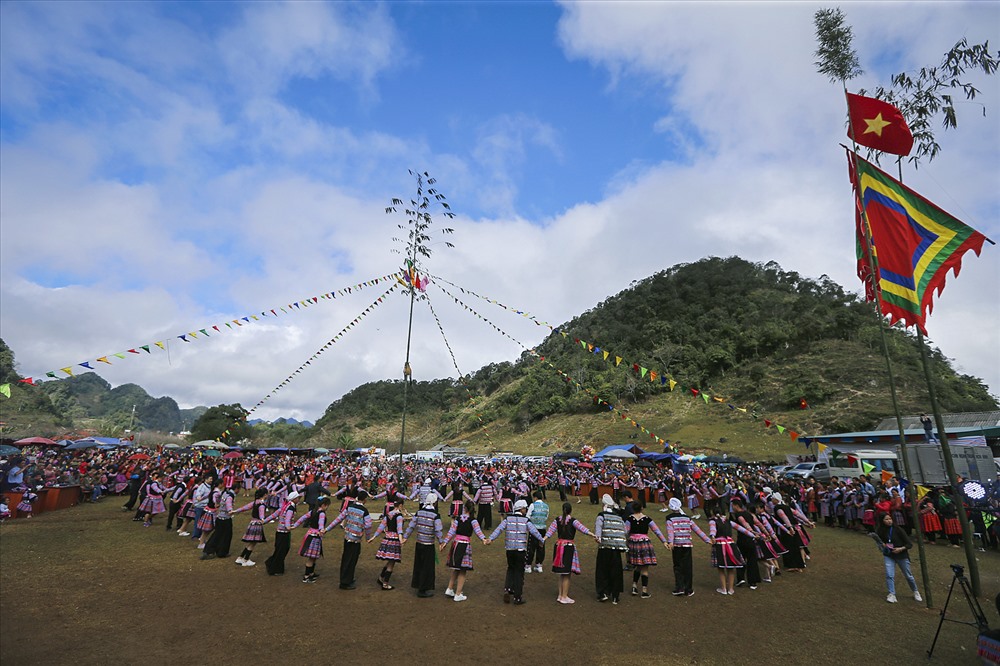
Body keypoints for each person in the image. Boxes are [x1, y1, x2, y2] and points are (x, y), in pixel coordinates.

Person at [487, 498, 545, 605]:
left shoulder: (507, 519)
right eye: (525, 508)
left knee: (510, 568)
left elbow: (499, 529)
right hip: (520, 550)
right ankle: (517, 597)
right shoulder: (526, 521)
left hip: (509, 549)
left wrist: (490, 538)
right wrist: (542, 541)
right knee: (519, 572)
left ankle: (508, 589)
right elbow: (534, 532)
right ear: (522, 509)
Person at [544, 502, 596, 604]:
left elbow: (550, 531)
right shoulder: (572, 521)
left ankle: (560, 595)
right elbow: (583, 529)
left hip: (558, 546)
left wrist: (544, 538)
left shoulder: (557, 520)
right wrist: (593, 535)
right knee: (567, 573)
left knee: (561, 573)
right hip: (568, 548)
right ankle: (564, 596)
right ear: (570, 510)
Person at [439, 500, 488, 602]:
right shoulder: (473, 521)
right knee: (463, 570)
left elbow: (451, 531)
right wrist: (484, 539)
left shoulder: (458, 519)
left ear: (464, 508)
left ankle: (450, 588)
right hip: (465, 545)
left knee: (456, 567)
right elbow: (478, 532)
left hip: (455, 544)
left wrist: (444, 543)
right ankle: (458, 594)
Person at [326, 489, 373, 590]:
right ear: (364, 500)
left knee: (346, 558)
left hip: (347, 537)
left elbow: (338, 519)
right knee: (351, 560)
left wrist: (327, 529)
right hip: (356, 539)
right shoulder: (364, 511)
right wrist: (368, 537)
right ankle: (345, 582)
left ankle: (347, 578)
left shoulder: (349, 507)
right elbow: (368, 525)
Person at [664, 497, 711, 596]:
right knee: (687, 566)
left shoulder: (669, 518)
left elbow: (670, 531)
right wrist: (707, 539)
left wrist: (670, 542)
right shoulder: (687, 518)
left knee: (678, 566)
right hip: (687, 545)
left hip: (676, 545)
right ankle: (688, 589)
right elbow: (697, 530)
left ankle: (679, 587)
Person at [875, 512, 922, 603]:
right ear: (882, 521)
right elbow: (880, 542)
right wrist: (883, 545)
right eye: (886, 519)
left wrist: (901, 549)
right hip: (889, 555)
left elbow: (909, 544)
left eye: (890, 519)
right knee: (889, 575)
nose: (889, 521)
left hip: (902, 556)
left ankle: (915, 591)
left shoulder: (898, 529)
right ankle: (892, 593)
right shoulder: (880, 530)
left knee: (908, 576)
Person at [403, 495, 444, 598]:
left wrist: (405, 537)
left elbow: (411, 526)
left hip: (419, 543)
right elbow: (438, 530)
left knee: (419, 565)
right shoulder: (435, 515)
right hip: (428, 544)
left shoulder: (419, 512)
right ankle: (423, 589)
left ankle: (418, 585)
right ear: (434, 502)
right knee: (427, 567)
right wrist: (441, 542)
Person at [625, 502, 668, 598]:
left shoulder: (629, 519)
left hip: (633, 543)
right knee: (644, 567)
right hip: (645, 543)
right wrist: (664, 541)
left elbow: (625, 531)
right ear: (642, 508)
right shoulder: (647, 519)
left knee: (637, 566)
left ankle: (634, 586)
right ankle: (644, 590)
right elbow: (657, 531)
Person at [594, 494, 627, 604]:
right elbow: (625, 530)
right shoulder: (618, 517)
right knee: (616, 570)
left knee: (602, 569)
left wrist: (598, 537)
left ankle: (603, 592)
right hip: (616, 547)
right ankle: (615, 595)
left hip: (605, 546)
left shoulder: (601, 516)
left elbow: (598, 528)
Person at [369, 498, 405, 590]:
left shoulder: (388, 515)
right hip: (395, 540)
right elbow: (399, 529)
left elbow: (381, 526)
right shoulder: (399, 516)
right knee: (392, 562)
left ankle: (381, 577)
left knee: (390, 560)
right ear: (400, 506)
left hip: (387, 539)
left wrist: (374, 537)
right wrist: (401, 540)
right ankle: (385, 583)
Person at [293, 496, 330, 583]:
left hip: (310, 534)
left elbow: (303, 518)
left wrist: (295, 525)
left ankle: (311, 573)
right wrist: (321, 530)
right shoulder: (322, 513)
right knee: (311, 558)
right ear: (324, 505)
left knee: (313, 557)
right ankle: (306, 576)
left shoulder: (313, 511)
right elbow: (321, 523)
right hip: (315, 536)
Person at [263, 490, 300, 576]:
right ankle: (275, 568)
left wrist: (265, 521)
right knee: (282, 550)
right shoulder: (290, 507)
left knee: (279, 550)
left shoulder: (285, 506)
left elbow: (275, 514)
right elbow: (288, 517)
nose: (298, 499)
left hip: (279, 531)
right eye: (297, 498)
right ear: (294, 499)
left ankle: (272, 564)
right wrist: (288, 526)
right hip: (284, 532)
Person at [232, 488, 269, 567]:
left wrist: (235, 511)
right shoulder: (262, 504)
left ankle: (241, 557)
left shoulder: (255, 502)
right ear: (265, 495)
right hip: (257, 525)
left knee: (250, 542)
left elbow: (245, 507)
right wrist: (264, 520)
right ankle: (246, 559)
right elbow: (262, 515)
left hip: (252, 523)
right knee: (253, 543)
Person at [525, 490, 549, 574]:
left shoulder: (532, 505)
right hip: (543, 529)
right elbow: (546, 517)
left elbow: (527, 516)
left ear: (535, 497)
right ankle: (539, 565)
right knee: (541, 547)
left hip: (534, 529)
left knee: (531, 547)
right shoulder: (546, 506)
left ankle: (528, 565)